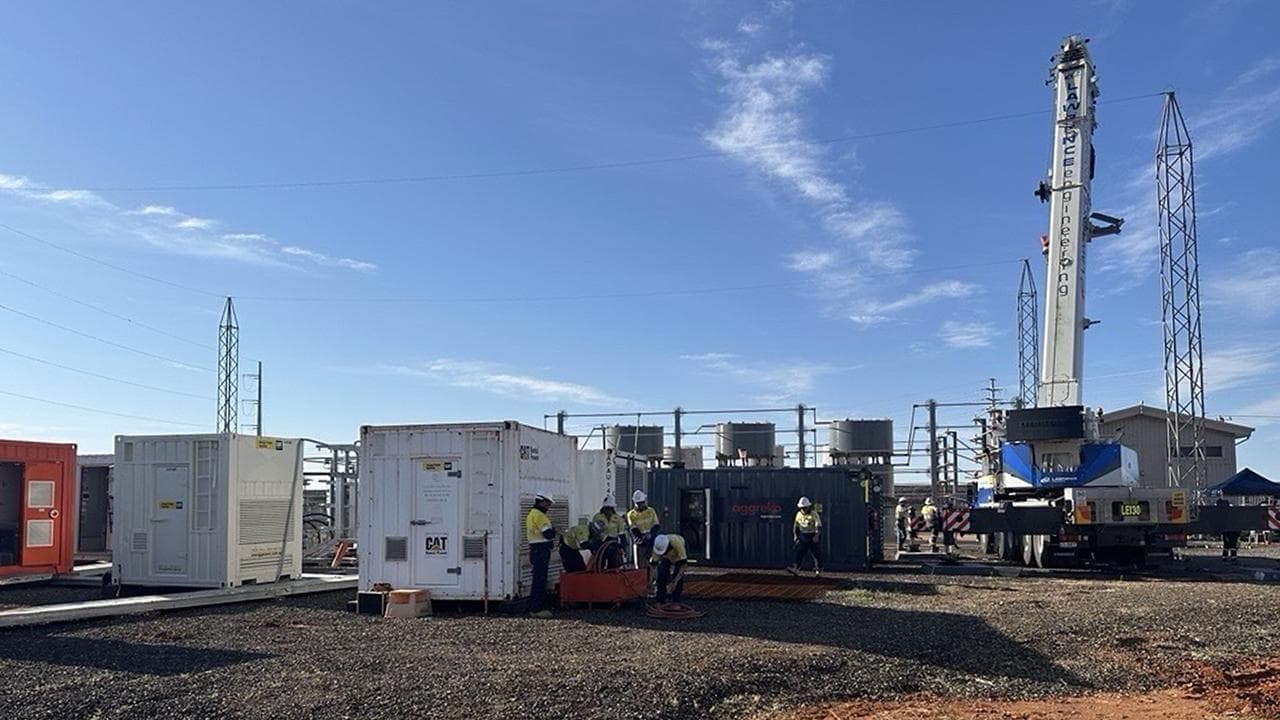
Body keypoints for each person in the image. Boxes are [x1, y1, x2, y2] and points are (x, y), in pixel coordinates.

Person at [525, 491, 556, 618]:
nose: (548, 506)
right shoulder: (540, 516)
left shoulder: (531, 514)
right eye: (547, 503)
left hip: (535, 549)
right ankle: (536, 609)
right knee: (540, 580)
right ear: (541, 501)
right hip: (541, 550)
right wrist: (553, 532)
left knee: (538, 579)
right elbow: (548, 534)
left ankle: (535, 606)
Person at [788, 496, 823, 576]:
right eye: (802, 507)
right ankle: (796, 568)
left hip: (812, 535)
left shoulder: (814, 514)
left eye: (804, 507)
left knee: (816, 553)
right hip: (803, 535)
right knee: (799, 552)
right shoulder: (798, 514)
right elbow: (796, 526)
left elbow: (818, 525)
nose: (803, 509)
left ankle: (818, 569)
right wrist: (795, 536)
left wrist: (816, 535)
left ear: (808, 507)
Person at [650, 533, 688, 605]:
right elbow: (653, 566)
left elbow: (683, 566)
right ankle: (660, 599)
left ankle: (676, 599)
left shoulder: (677, 543)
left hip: (678, 557)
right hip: (666, 558)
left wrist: (674, 582)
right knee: (662, 574)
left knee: (678, 575)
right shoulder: (657, 547)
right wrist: (650, 582)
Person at [626, 490, 660, 569]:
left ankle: (653, 579)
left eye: (642, 502)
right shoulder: (631, 514)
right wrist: (642, 538)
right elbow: (633, 529)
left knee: (653, 563)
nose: (641, 505)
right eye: (638, 503)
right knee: (640, 564)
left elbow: (656, 525)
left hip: (651, 539)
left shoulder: (651, 511)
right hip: (640, 541)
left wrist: (651, 535)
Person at [592, 494, 627, 569]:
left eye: (610, 508)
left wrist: (622, 546)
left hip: (613, 545)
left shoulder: (618, 518)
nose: (608, 511)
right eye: (606, 508)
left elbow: (622, 534)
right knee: (599, 564)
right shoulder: (597, 517)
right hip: (600, 544)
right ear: (603, 508)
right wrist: (605, 538)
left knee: (614, 565)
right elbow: (595, 532)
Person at [1218, 497, 1240, 562]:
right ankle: (1232, 557)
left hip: (1228, 530)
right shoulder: (1232, 511)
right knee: (1232, 544)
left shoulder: (1223, 512)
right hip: (1233, 530)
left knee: (1227, 544)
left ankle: (1226, 556)